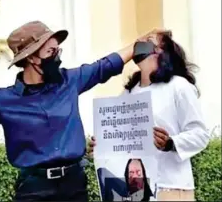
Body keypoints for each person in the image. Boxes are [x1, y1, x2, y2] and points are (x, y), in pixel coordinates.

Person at [0, 20, 165, 201]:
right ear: (31, 58)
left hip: (74, 185)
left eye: (58, 49)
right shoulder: (5, 100)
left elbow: (104, 66)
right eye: (51, 51)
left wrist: (137, 43)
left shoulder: (69, 81)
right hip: (34, 190)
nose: (57, 56)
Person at [88, 32, 210, 201]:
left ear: (162, 52)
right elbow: (122, 140)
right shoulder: (129, 92)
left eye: (148, 41)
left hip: (170, 187)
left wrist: (171, 143)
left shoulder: (178, 86)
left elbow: (200, 134)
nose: (139, 42)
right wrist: (102, 144)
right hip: (136, 191)